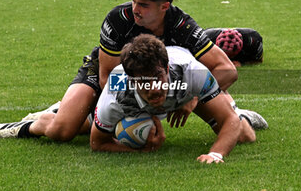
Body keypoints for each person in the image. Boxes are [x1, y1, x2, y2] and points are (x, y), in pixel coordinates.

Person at [0, 0, 267, 144]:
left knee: (240, 135)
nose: (135, 9)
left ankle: (235, 113)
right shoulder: (118, 20)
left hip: (167, 81)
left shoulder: (182, 26)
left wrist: (191, 98)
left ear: (165, 6)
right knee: (63, 131)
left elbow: (227, 70)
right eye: (133, 1)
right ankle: (32, 122)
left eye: (143, 5)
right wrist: (145, 110)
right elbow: (107, 77)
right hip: (111, 74)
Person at [90, 34, 261, 163]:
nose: (155, 88)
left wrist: (215, 154)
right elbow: (97, 143)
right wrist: (140, 151)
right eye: (144, 82)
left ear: (166, 67)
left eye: (158, 76)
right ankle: (90, 116)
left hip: (185, 92)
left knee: (245, 136)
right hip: (135, 106)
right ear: (131, 80)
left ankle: (235, 108)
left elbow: (230, 121)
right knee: (86, 126)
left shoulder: (191, 71)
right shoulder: (117, 91)